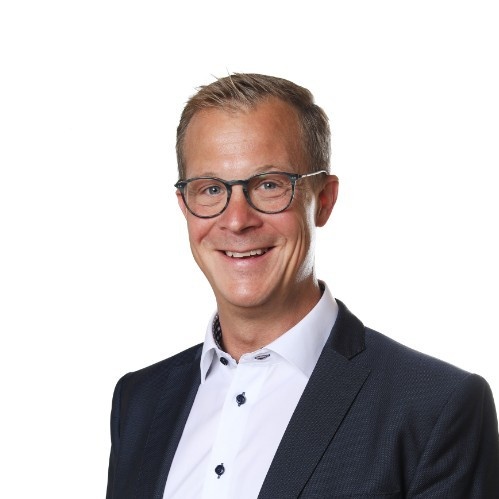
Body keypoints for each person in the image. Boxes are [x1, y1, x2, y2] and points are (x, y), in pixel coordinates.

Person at [106, 73, 499, 498]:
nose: (236, 220)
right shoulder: (139, 402)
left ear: (323, 200)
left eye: (269, 185)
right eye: (211, 189)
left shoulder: (435, 408)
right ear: (185, 205)